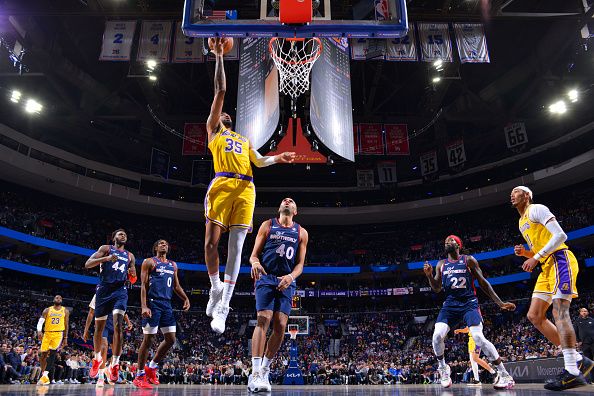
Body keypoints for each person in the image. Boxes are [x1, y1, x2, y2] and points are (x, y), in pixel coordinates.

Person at [204, 37, 296, 334]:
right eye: (223, 115)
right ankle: (215, 286)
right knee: (210, 244)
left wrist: (277, 157)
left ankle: (223, 307)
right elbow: (221, 90)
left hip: (246, 189)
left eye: (228, 115)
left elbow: (259, 161)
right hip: (220, 186)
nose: (226, 115)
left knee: (236, 249)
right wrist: (219, 55)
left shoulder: (243, 140)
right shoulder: (213, 132)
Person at [511, 186, 593, 390]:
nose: (512, 194)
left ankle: (573, 371)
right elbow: (540, 248)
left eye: (516, 191)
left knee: (559, 311)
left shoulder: (536, 209)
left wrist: (536, 257)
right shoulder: (521, 222)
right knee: (534, 316)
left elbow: (560, 236)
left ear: (527, 195)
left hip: (560, 261)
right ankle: (578, 358)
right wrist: (527, 254)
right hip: (546, 268)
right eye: (511, 193)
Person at [423, 235, 516, 389]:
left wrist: (500, 303)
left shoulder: (469, 260)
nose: (447, 242)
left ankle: (505, 374)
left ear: (458, 244)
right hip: (450, 305)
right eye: (445, 241)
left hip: (469, 304)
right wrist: (429, 276)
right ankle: (443, 369)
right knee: (437, 335)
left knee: (479, 337)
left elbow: (483, 283)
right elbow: (437, 288)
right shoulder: (441, 264)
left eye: (451, 240)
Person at [247, 198, 308, 392]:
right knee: (263, 319)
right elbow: (254, 255)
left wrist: (291, 277)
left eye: (291, 201)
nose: (287, 200)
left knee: (281, 324)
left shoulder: (302, 232)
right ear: (279, 208)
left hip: (287, 280)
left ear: (295, 211)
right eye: (284, 200)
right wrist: (255, 263)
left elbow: (300, 265)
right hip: (266, 276)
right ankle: (255, 372)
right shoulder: (268, 225)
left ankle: (265, 370)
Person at [133, 239, 191, 389]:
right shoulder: (149, 262)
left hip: (167, 304)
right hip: (153, 303)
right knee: (148, 340)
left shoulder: (173, 265)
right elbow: (143, 286)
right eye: (160, 243)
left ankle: (151, 367)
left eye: (166, 243)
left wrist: (185, 298)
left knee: (171, 339)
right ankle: (139, 375)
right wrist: (144, 306)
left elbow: (176, 286)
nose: (163, 245)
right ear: (155, 247)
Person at [85, 228, 137, 383]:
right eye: (120, 234)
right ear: (113, 237)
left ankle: (114, 363)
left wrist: (132, 275)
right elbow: (88, 264)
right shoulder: (105, 249)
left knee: (118, 326)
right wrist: (106, 259)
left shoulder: (130, 256)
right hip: (103, 290)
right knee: (99, 329)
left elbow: (133, 278)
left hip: (120, 291)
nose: (123, 236)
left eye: (125, 235)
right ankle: (97, 359)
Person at [83, 294, 133, 387]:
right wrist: (86, 330)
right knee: (104, 346)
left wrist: (128, 322)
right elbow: (91, 312)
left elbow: (123, 311)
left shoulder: (120, 292)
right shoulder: (99, 292)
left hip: (114, 324)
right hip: (103, 324)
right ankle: (101, 377)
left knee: (118, 351)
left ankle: (110, 367)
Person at [36, 295, 69, 386]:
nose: (58, 299)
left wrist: (65, 338)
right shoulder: (47, 310)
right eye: (56, 298)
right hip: (47, 333)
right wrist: (39, 330)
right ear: (53, 299)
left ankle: (45, 375)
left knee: (52, 353)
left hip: (58, 334)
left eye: (60, 298)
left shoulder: (65, 311)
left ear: (61, 301)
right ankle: (44, 375)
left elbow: (66, 325)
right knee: (43, 355)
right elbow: (40, 322)